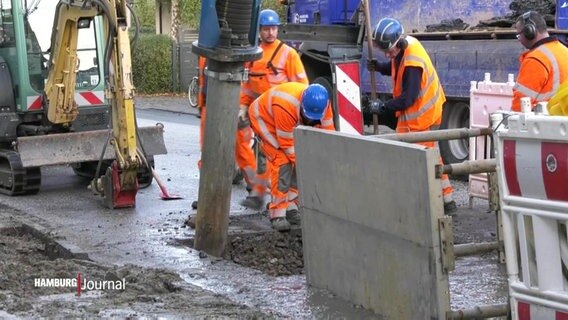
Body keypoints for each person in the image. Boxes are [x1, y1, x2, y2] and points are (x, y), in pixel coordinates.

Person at [366, 17, 457, 215]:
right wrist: (379, 67)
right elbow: (396, 67)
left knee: (423, 161)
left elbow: (408, 98)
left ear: (398, 43)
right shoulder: (404, 47)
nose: (387, 54)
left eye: (388, 51)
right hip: (417, 118)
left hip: (423, 117)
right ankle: (447, 201)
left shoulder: (413, 62)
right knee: (431, 159)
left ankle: (432, 203)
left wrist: (382, 107)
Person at [238, 9, 309, 211]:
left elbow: (303, 87)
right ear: (259, 31)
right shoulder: (253, 56)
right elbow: (248, 87)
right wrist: (243, 107)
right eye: (266, 29)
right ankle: (261, 195)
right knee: (264, 157)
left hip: (284, 117)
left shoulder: (289, 54)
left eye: (273, 28)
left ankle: (283, 201)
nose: (270, 32)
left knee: (282, 160)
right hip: (263, 117)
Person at [247, 82, 334, 231]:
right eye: (307, 116)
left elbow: (328, 135)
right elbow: (287, 146)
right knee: (283, 163)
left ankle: (291, 206)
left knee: (301, 161)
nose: (311, 121)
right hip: (263, 119)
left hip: (285, 122)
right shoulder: (286, 105)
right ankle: (277, 213)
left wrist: (326, 161)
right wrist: (309, 166)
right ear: (302, 105)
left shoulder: (323, 105)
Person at [511, 11, 568, 112]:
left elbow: (520, 105)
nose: (519, 40)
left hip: (545, 123)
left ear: (529, 32)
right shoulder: (564, 50)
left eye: (519, 36)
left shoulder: (535, 59)